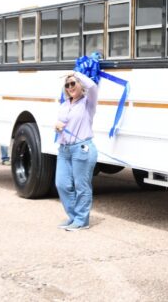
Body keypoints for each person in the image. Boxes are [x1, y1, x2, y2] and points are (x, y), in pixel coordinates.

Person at [54, 70, 98, 231]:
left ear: (80, 84)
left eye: (73, 83)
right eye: (67, 85)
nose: (70, 87)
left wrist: (76, 73)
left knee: (82, 186)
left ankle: (81, 220)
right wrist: (58, 127)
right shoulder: (65, 105)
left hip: (82, 149)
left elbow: (92, 86)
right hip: (64, 150)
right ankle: (73, 217)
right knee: (62, 184)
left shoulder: (88, 103)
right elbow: (62, 124)